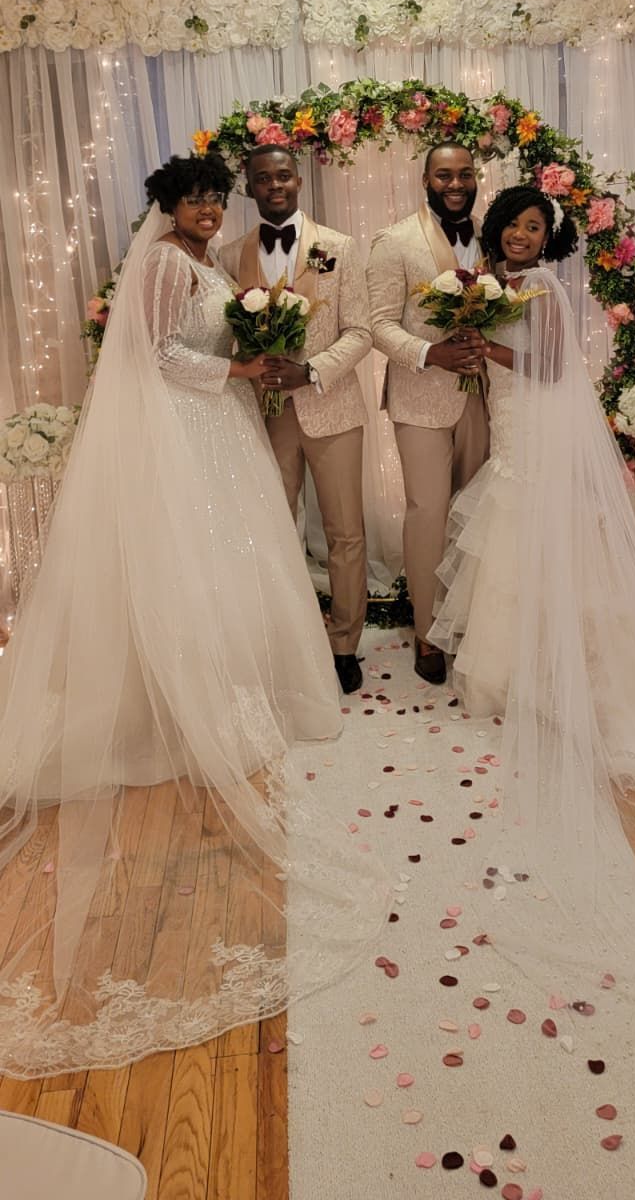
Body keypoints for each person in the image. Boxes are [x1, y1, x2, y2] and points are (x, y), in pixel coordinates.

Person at [0, 151, 390, 1078]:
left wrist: (248, 363)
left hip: (217, 425)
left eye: (218, 197)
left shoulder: (210, 263)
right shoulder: (170, 263)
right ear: (169, 207)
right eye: (196, 199)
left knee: (231, 564)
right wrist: (241, 367)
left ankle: (217, 680)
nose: (209, 209)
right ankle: (172, 698)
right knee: (197, 561)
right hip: (188, 428)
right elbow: (156, 352)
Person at [430, 183, 635, 819]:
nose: (522, 235)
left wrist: (489, 350)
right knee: (510, 547)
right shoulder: (489, 282)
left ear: (548, 238)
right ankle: (518, 673)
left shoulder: (546, 288)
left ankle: (559, 673)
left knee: (537, 534)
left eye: (535, 228)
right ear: (499, 226)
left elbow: (555, 366)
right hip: (508, 421)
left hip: (537, 427)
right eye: (514, 224)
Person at [219, 145, 372, 695]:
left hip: (332, 407)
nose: (274, 185)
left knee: (344, 532)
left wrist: (311, 371)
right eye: (263, 179)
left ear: (298, 180)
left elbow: (361, 331)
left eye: (283, 175)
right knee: (275, 530)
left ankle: (344, 644)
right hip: (264, 414)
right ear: (250, 187)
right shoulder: (230, 254)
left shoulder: (342, 248)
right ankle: (285, 639)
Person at [366, 142, 490, 685]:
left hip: (486, 396)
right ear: (425, 179)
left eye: (465, 174)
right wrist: (430, 353)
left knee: (481, 517)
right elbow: (377, 324)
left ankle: (472, 625)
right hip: (420, 400)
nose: (456, 184)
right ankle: (426, 630)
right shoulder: (394, 241)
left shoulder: (495, 235)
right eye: (444, 175)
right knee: (428, 516)